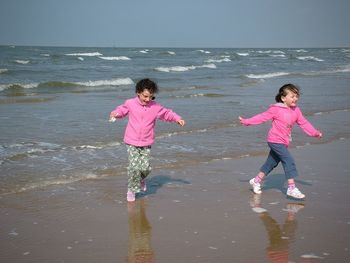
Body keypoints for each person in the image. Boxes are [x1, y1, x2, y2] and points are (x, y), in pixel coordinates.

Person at [239, 84, 322, 199]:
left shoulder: (296, 111)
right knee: (288, 159)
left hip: (284, 141)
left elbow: (304, 123)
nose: (295, 99)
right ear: (283, 98)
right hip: (274, 140)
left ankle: (256, 181)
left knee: (271, 162)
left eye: (297, 96)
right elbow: (262, 117)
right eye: (292, 96)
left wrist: (315, 133)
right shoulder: (275, 109)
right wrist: (247, 121)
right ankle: (291, 188)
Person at [110, 78, 185, 202]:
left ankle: (141, 180)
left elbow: (166, 113)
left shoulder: (155, 107)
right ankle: (131, 190)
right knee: (134, 168)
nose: (148, 99)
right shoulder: (130, 103)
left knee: (145, 168)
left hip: (146, 141)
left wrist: (177, 118)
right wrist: (115, 113)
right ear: (138, 92)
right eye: (145, 96)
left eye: (151, 97)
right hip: (131, 140)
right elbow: (122, 110)